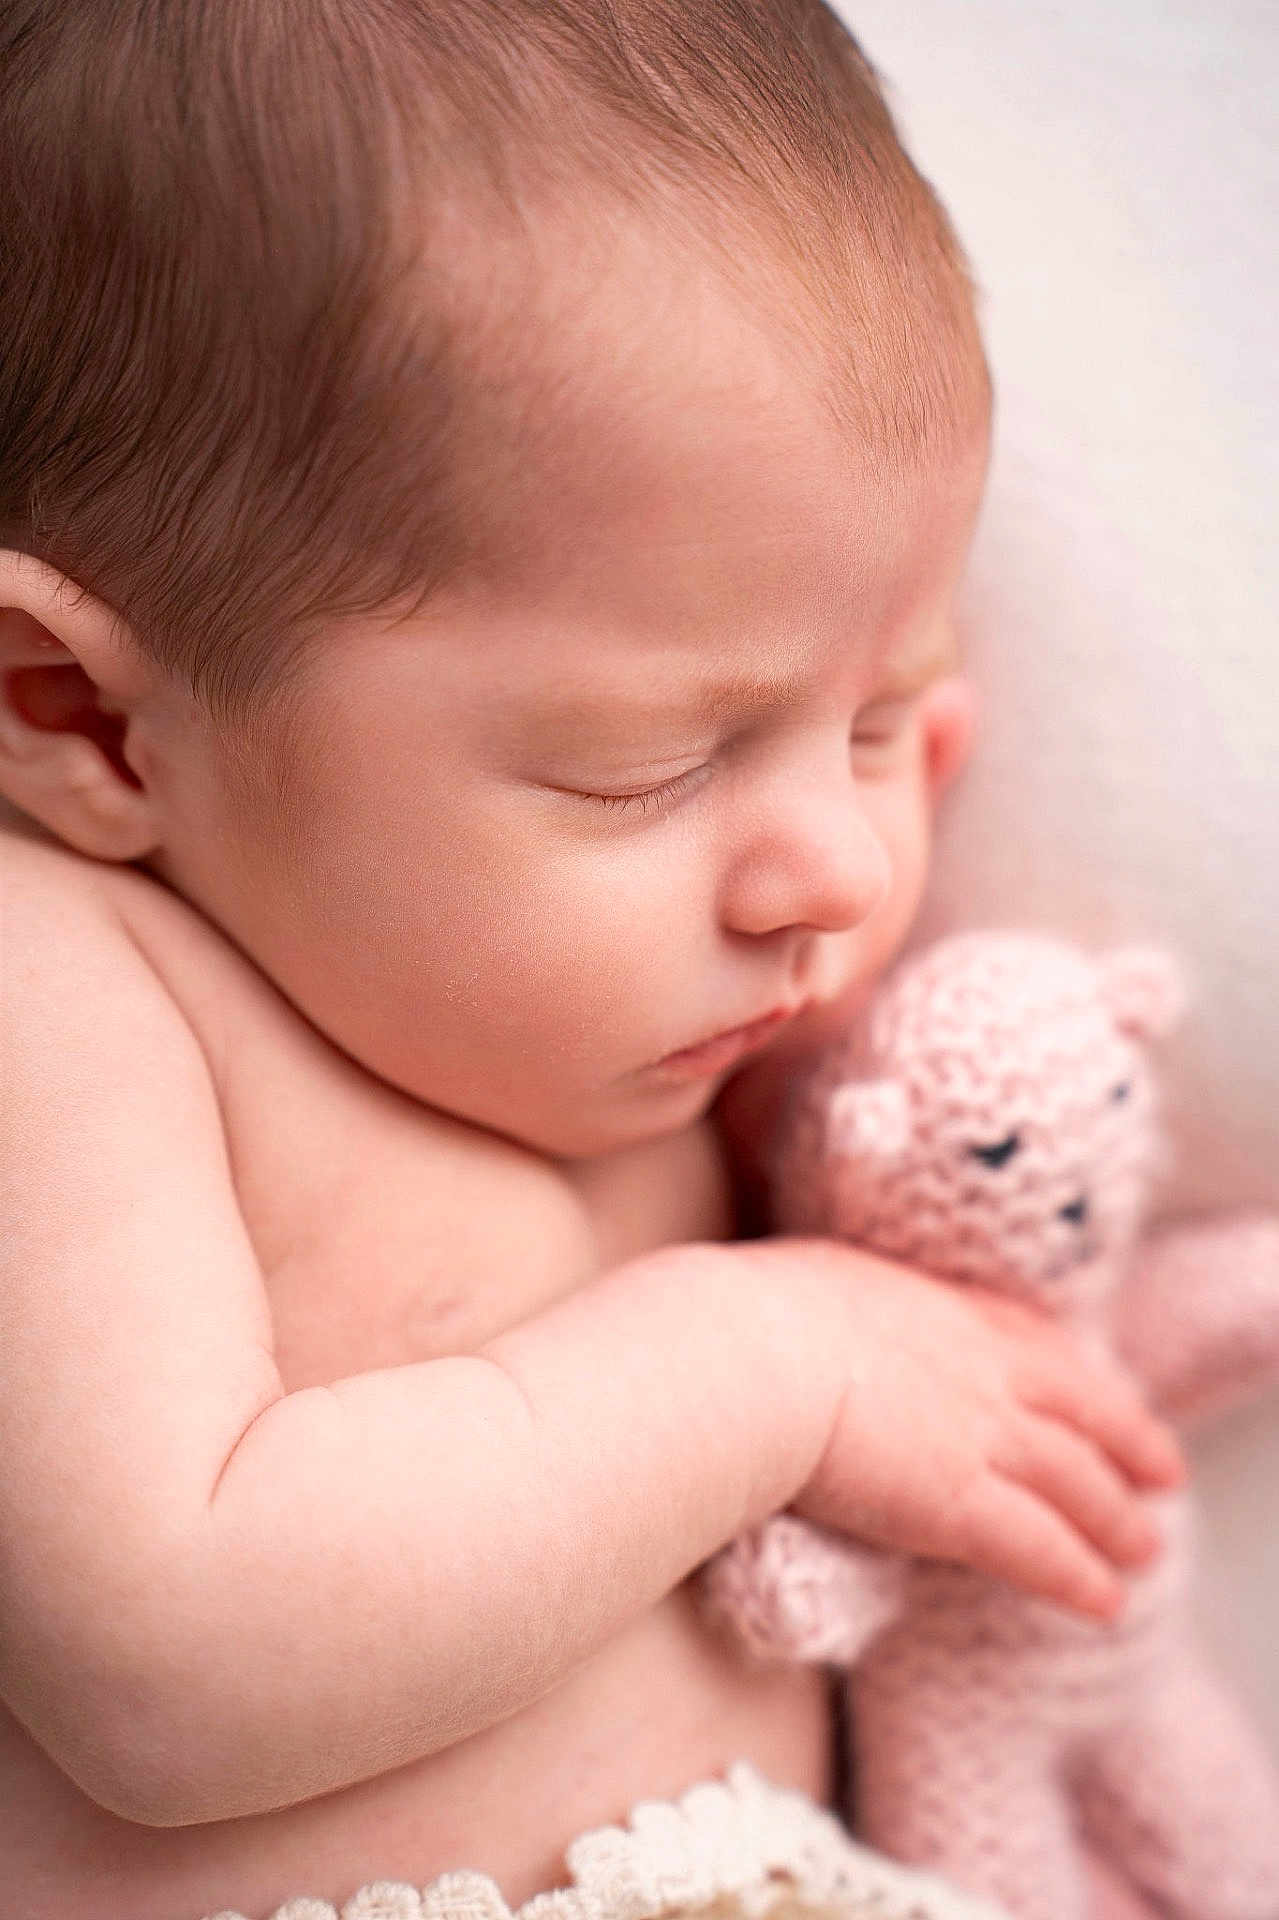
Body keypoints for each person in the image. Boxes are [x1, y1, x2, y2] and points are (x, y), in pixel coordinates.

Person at [0, 5, 1184, 1918]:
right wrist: (775, 1363)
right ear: (88, 719)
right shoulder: (58, 988)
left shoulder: (639, 1028)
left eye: (883, 712)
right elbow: (167, 1664)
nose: (825, 866)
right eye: (655, 762)